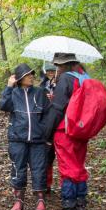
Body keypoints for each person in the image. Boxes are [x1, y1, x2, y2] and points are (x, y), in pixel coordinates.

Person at [43, 52, 89, 210]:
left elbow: (57, 108)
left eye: (58, 65)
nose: (56, 68)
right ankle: (81, 201)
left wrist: (47, 133)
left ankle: (70, 207)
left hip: (65, 130)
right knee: (78, 164)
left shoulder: (65, 79)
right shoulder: (83, 76)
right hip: (81, 129)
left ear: (62, 65)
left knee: (68, 167)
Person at [0, 63, 49, 210]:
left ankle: (40, 199)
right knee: (17, 169)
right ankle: (19, 200)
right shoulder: (13, 93)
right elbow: (3, 106)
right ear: (19, 78)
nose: (31, 77)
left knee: (39, 168)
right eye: (28, 75)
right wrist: (8, 87)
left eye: (32, 74)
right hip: (17, 139)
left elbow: (48, 113)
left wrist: (45, 133)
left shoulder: (40, 92)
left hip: (38, 139)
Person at [40, 62, 58, 193]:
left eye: (53, 71)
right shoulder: (42, 86)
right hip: (47, 124)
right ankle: (47, 184)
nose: (50, 73)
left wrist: (54, 97)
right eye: (48, 71)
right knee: (47, 156)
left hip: (60, 122)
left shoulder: (62, 84)